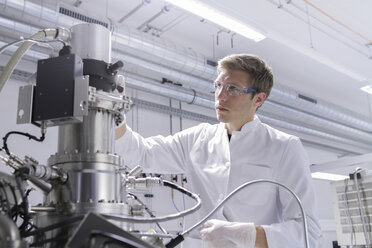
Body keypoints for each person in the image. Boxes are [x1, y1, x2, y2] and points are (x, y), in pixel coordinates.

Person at [115, 54, 322, 248]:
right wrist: (115, 115)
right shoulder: (198, 138)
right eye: (218, 86)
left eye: (233, 88)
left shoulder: (284, 147)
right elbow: (142, 154)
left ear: (258, 99)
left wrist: (249, 234)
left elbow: (308, 232)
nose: (220, 96)